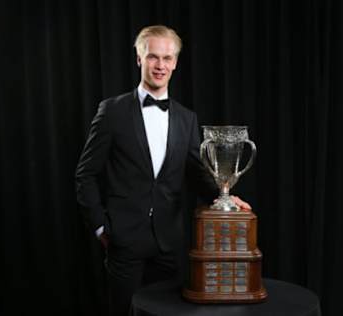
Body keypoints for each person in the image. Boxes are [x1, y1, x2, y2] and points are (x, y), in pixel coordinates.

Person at [75, 25, 251, 316]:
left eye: (167, 58)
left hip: (169, 244)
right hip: (123, 241)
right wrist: (100, 227)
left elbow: (197, 173)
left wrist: (227, 198)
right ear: (139, 58)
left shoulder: (186, 118)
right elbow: (85, 174)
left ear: (176, 62)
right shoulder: (112, 111)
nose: (160, 65)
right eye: (153, 57)